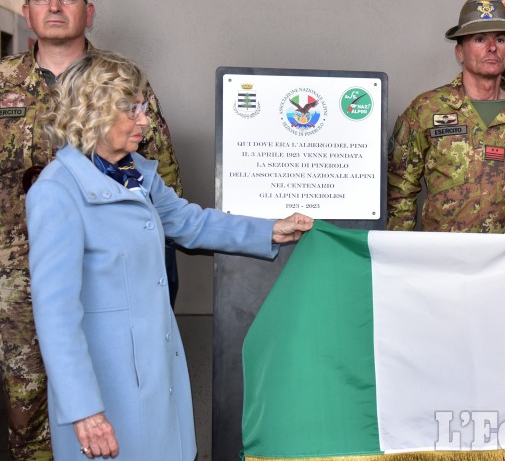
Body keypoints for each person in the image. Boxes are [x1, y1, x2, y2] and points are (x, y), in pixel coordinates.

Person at [25, 53, 313, 460]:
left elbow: (187, 221)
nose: (144, 120)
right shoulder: (57, 192)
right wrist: (84, 410)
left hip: (155, 371)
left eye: (143, 107)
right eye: (132, 109)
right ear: (92, 111)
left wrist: (269, 230)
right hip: (106, 389)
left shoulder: (136, 172)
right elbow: (55, 316)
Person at [0, 0, 182, 460]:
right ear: (27, 12)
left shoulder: (125, 82)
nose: (55, 5)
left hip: (108, 286)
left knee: (113, 413)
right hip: (16, 287)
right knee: (27, 414)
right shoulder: (2, 85)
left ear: (90, 11)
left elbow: (162, 177)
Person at [387, 0, 505, 233]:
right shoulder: (427, 109)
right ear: (459, 52)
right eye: (480, 39)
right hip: (445, 258)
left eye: (500, 39)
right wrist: (400, 253)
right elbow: (400, 189)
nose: (492, 48)